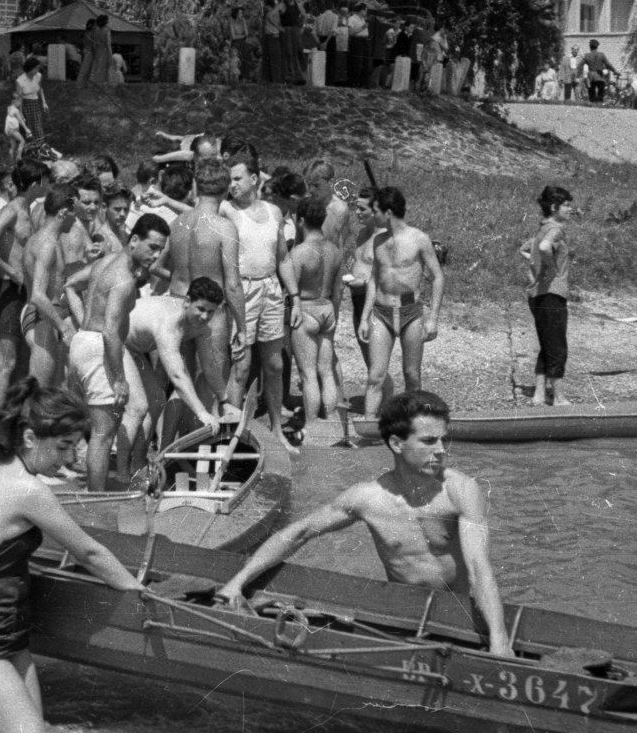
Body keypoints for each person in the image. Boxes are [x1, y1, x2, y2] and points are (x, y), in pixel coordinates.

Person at [215, 391, 512, 659]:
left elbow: (478, 567)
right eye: (428, 441)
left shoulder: (460, 491)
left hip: (457, 619)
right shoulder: (367, 498)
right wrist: (237, 583)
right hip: (401, 620)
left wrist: (499, 641)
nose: (442, 450)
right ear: (396, 443)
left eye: (443, 439)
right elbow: (299, 532)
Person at [0, 378, 143, 733]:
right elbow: (89, 553)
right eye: (63, 447)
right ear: (30, 437)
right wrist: (136, 591)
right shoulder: (30, 491)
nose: (69, 460)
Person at [64, 214, 172, 490]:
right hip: (99, 346)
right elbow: (111, 331)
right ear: (134, 240)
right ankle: (96, 501)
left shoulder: (104, 262)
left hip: (86, 342)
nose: (156, 255)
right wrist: (120, 379)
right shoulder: (123, 279)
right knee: (103, 433)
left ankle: (119, 477)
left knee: (133, 409)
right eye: (152, 247)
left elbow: (70, 286)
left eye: (160, 249)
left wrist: (82, 327)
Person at [222, 146, 296, 453]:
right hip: (243, 290)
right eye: (230, 179)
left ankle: (278, 430)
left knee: (275, 365)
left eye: (238, 178)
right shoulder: (227, 211)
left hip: (270, 289)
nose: (232, 184)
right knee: (240, 366)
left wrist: (296, 298)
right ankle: (230, 440)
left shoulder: (274, 212)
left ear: (255, 179)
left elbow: (282, 258)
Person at [167, 158, 245, 419]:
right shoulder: (224, 227)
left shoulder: (177, 223)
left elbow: (160, 266)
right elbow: (232, 285)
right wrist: (243, 328)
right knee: (210, 385)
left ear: (195, 188)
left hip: (179, 303)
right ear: (225, 192)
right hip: (211, 314)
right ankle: (204, 455)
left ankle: (166, 451)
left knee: (180, 385)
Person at [357, 186, 443, 415]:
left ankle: (415, 422)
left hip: (411, 313)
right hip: (381, 313)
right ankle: (367, 427)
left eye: (375, 211)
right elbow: (374, 281)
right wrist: (364, 318)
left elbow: (438, 277)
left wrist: (433, 319)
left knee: (412, 374)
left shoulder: (419, 239)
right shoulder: (378, 241)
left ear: (387, 212)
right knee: (375, 375)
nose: (373, 216)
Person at [0, 157, 52, 405]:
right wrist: (12, 272)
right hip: (10, 291)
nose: (46, 186)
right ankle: (0, 421)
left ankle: (16, 414)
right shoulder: (10, 211)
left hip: (26, 293)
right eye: (43, 182)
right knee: (6, 361)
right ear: (33, 185)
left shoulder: (28, 211)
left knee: (21, 360)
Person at [121, 282, 227, 448]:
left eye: (210, 312)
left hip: (132, 348)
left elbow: (210, 366)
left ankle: (139, 466)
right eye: (201, 309)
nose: (205, 316)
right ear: (187, 302)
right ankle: (123, 470)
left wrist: (225, 402)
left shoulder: (202, 329)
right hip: (112, 341)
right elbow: (177, 376)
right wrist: (201, 413)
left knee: (156, 401)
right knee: (138, 407)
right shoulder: (170, 322)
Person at [287, 197, 346, 425]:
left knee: (308, 374)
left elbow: (291, 290)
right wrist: (335, 317)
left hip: (306, 309)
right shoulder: (335, 250)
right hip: (327, 309)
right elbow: (338, 290)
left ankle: (311, 425)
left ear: (301, 221)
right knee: (326, 372)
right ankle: (330, 420)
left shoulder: (300, 252)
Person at [521, 186, 574, 407]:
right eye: (567, 205)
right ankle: (560, 398)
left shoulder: (541, 228)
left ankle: (539, 395)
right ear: (554, 207)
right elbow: (543, 248)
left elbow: (525, 249)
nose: (571, 209)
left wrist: (537, 269)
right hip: (552, 294)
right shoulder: (555, 229)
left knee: (546, 344)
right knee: (558, 347)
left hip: (536, 295)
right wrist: (551, 269)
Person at [21, 186, 78, 384]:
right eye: (74, 214)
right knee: (39, 390)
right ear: (63, 213)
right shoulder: (47, 244)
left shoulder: (42, 239)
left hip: (44, 315)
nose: (76, 220)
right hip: (42, 317)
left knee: (53, 390)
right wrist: (63, 328)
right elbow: (38, 295)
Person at [14, 56, 49, 144]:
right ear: (30, 68)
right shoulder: (20, 81)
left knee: (38, 125)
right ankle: (31, 147)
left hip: (35, 103)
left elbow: (40, 89)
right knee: (29, 126)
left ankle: (40, 145)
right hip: (26, 104)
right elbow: (19, 98)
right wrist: (21, 113)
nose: (37, 70)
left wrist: (44, 102)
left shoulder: (38, 76)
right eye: (35, 68)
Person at [4, 95, 30, 161]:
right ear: (15, 101)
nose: (20, 104)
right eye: (20, 102)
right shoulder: (16, 110)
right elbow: (20, 120)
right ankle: (18, 157)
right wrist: (26, 129)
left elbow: (16, 117)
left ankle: (10, 160)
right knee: (22, 141)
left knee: (13, 146)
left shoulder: (9, 108)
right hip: (13, 130)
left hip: (8, 130)